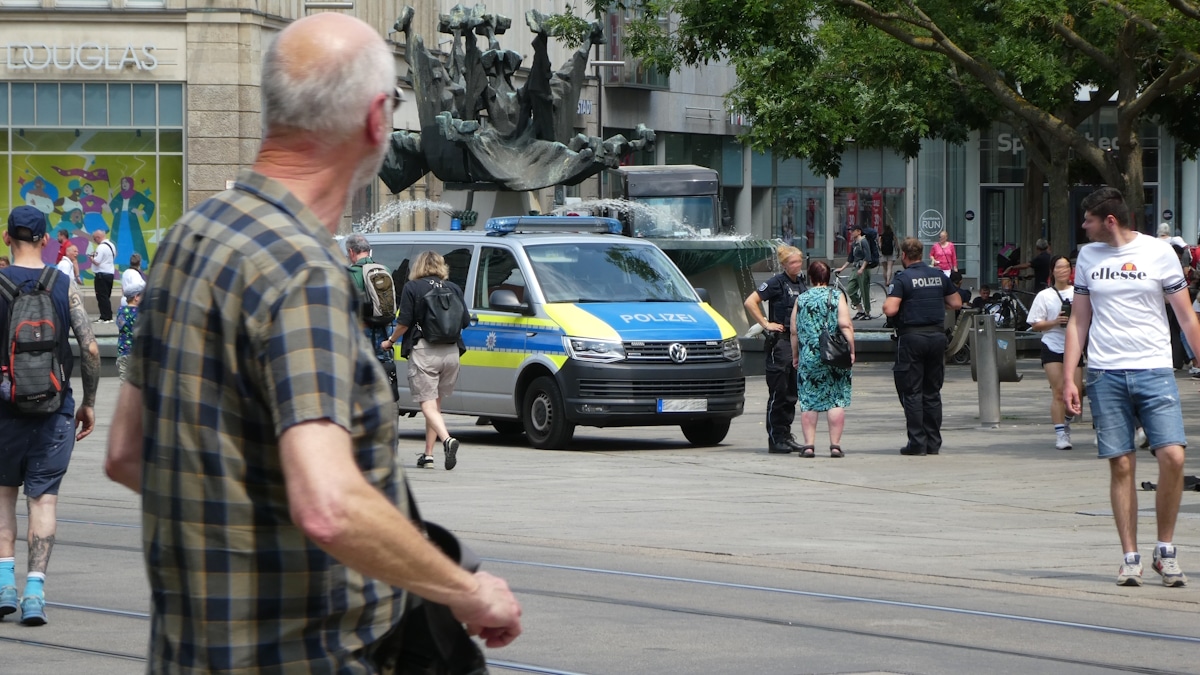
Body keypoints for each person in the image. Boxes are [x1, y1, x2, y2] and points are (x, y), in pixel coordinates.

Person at [103, 13, 521, 671]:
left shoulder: (190, 236)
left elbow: (126, 453)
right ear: (377, 119)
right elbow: (329, 506)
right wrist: (468, 591)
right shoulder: (303, 272)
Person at [1064, 187, 1200, 588]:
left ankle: (1166, 550)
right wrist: (1071, 376)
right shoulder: (1088, 258)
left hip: (1155, 370)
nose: (1083, 225)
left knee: (1173, 456)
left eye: (1087, 218)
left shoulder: (1159, 254)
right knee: (1121, 464)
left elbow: (1187, 317)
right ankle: (1130, 556)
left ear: (1109, 220)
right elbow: (1078, 321)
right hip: (1105, 373)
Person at [0, 205, 100, 626]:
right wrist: (88, 402)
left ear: (7, 239)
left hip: (3, 410)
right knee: (42, 500)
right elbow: (91, 349)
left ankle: (4, 586)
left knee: (3, 496)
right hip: (54, 410)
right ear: (45, 241)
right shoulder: (62, 284)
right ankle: (35, 593)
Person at [384, 250, 471, 470]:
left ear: (419, 266)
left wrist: (391, 341)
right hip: (451, 352)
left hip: (425, 351)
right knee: (435, 404)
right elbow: (465, 321)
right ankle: (428, 455)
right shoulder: (454, 288)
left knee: (426, 404)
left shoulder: (413, 288)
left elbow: (404, 322)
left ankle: (447, 440)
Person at [883, 237, 962, 456]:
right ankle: (933, 442)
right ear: (923, 254)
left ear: (904, 256)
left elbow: (890, 309)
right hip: (936, 338)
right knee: (932, 392)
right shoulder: (937, 275)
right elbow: (956, 303)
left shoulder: (903, 278)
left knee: (912, 392)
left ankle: (917, 443)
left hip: (912, 338)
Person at [743, 245, 808, 454]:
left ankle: (786, 435)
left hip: (796, 344)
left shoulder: (802, 283)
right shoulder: (776, 282)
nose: (796, 266)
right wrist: (765, 323)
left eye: (798, 261)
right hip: (779, 344)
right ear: (784, 264)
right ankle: (775, 438)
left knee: (792, 394)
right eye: (792, 263)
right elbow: (750, 301)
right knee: (778, 393)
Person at [790, 260, 854, 458]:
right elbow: (845, 325)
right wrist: (851, 349)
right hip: (834, 355)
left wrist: (796, 355)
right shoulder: (836, 296)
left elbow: (793, 330)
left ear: (810, 277)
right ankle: (835, 446)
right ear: (828, 277)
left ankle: (809, 446)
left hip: (809, 356)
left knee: (809, 401)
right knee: (835, 400)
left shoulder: (801, 298)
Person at [1026, 255, 1083, 450]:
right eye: (1058, 267)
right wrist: (1055, 322)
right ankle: (1061, 434)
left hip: (1074, 346)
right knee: (1059, 391)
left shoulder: (1079, 293)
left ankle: (1066, 421)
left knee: (1077, 392)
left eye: (1066, 267)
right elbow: (1035, 324)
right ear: (1053, 271)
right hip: (1052, 345)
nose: (1062, 271)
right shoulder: (1044, 295)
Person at [344, 233, 395, 365]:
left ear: (351, 251)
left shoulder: (351, 273)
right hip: (385, 329)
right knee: (382, 368)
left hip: (362, 330)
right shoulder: (385, 270)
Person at [836, 226, 872, 320]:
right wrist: (842, 268)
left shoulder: (863, 241)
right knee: (850, 290)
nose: (851, 233)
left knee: (864, 291)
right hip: (855, 269)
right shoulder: (854, 244)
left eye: (853, 231)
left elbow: (867, 257)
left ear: (859, 232)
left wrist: (863, 268)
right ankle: (860, 310)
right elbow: (850, 258)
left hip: (863, 269)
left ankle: (867, 312)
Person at [115, 277, 143, 382]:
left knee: (124, 381)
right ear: (136, 297)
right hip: (135, 354)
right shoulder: (139, 313)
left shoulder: (121, 311)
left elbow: (120, 325)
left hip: (122, 353)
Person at [88, 228, 115, 323]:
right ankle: (107, 316)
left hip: (101, 275)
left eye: (95, 239)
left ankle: (105, 316)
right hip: (110, 273)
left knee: (101, 296)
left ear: (98, 237)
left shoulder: (101, 247)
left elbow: (97, 261)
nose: (95, 241)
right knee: (106, 296)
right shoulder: (111, 245)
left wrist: (91, 258)